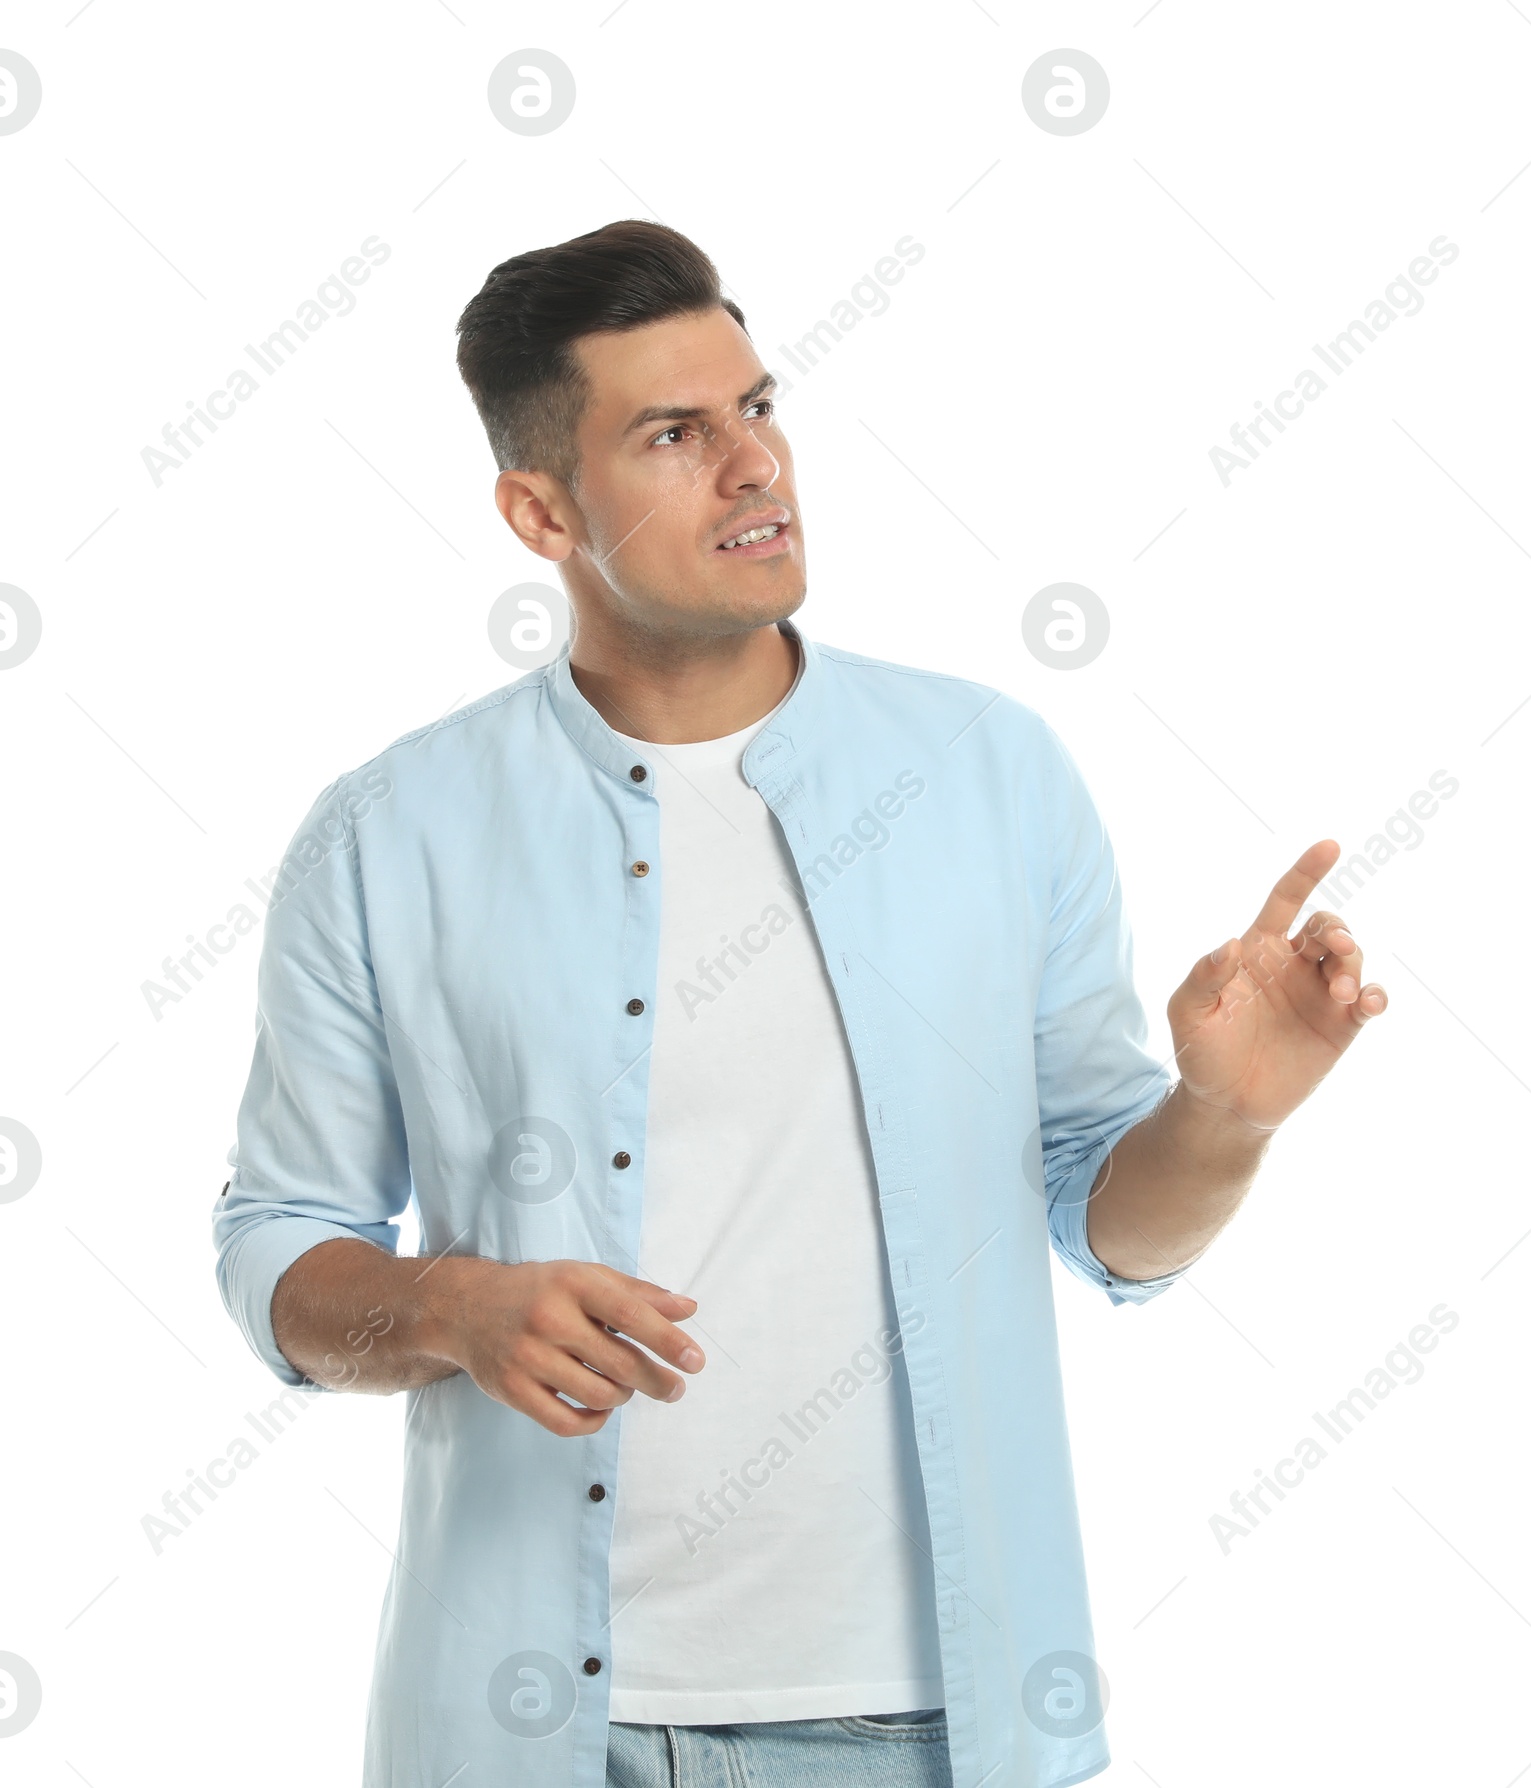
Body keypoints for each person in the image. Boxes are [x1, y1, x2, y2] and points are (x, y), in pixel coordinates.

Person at [211, 219, 1388, 1788]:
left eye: (757, 407)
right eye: (674, 434)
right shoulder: (386, 836)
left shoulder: (988, 775)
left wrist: (1223, 1119)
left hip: (922, 1724)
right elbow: (277, 1239)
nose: (755, 464)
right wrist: (447, 1308)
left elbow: (1111, 1224)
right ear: (539, 509)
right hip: (519, 1737)